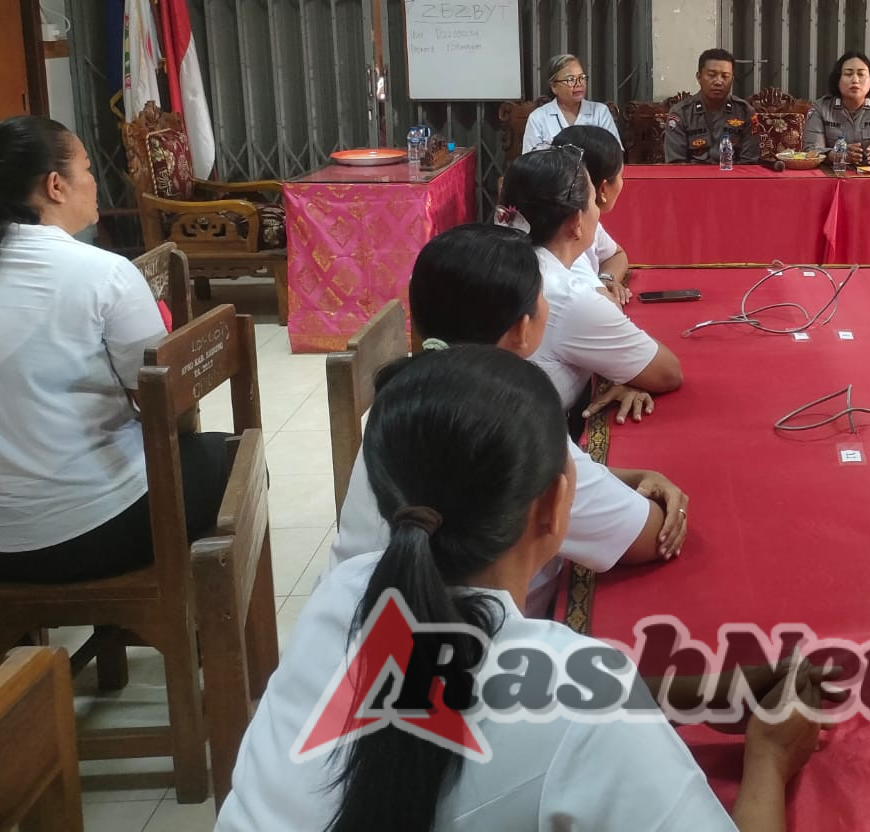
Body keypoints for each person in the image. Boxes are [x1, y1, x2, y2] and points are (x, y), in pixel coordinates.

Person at [219, 348, 821, 832]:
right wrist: (769, 756)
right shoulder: (584, 706)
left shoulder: (343, 594)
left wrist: (714, 693)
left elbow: (525, 694)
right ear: (556, 506)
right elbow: (563, 707)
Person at [329, 223, 686, 616]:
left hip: (354, 620)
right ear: (522, 328)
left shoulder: (406, 396)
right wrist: (662, 502)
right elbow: (647, 536)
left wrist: (629, 477)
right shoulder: (512, 418)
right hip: (473, 652)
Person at [0, 116, 229, 583]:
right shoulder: (102, 274)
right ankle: (201, 628)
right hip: (92, 529)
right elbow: (165, 401)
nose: (95, 181)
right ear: (55, 185)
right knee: (232, 457)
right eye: (86, 168)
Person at [501, 145, 682, 416]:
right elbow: (668, 373)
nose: (597, 212)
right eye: (593, 201)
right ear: (576, 222)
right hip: (525, 437)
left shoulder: (500, 257)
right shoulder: (569, 297)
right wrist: (627, 377)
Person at [552, 124, 631, 305]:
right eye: (621, 176)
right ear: (602, 189)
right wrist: (603, 291)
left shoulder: (582, 219)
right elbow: (608, 312)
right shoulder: (566, 241)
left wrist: (606, 278)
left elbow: (616, 254)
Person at [802, 50, 870, 165]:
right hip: (833, 176)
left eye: (861, 74)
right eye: (848, 74)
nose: (855, 80)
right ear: (838, 79)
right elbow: (810, 151)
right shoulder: (820, 108)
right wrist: (835, 155)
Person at [665, 49, 761, 164]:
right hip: (693, 180)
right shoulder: (681, 114)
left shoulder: (745, 112)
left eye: (725, 76)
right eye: (711, 75)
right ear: (699, 77)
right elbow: (676, 165)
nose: (718, 82)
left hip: (733, 179)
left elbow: (749, 163)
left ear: (732, 80)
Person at [522, 53, 622, 153]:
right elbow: (530, 161)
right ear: (554, 87)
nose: (579, 84)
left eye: (582, 77)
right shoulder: (538, 117)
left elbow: (615, 154)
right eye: (571, 79)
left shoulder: (600, 112)